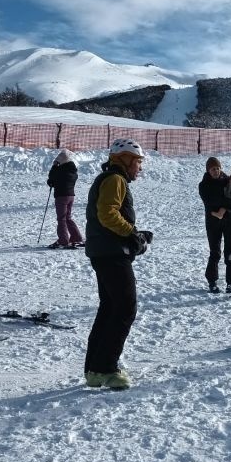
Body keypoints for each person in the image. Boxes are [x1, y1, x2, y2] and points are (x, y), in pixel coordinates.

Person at [83, 139, 152, 390]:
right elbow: (107, 214)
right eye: (137, 162)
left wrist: (135, 233)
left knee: (110, 308)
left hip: (104, 250)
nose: (139, 168)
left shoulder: (111, 179)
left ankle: (94, 369)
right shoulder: (115, 179)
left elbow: (109, 216)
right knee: (124, 308)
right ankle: (105, 369)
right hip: (111, 254)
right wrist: (131, 234)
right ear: (124, 159)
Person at [199, 156, 231, 294]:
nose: (216, 171)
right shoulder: (204, 185)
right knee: (215, 253)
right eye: (212, 169)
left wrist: (224, 208)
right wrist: (227, 201)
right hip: (212, 223)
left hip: (230, 221)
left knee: (230, 253)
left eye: (217, 168)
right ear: (208, 170)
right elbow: (211, 201)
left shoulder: (228, 180)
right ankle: (212, 281)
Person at [46, 148, 84, 249]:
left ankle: (63, 240)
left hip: (61, 196)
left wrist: (54, 166)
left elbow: (51, 179)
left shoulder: (59, 170)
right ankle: (76, 237)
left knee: (61, 219)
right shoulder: (73, 170)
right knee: (68, 217)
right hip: (71, 195)